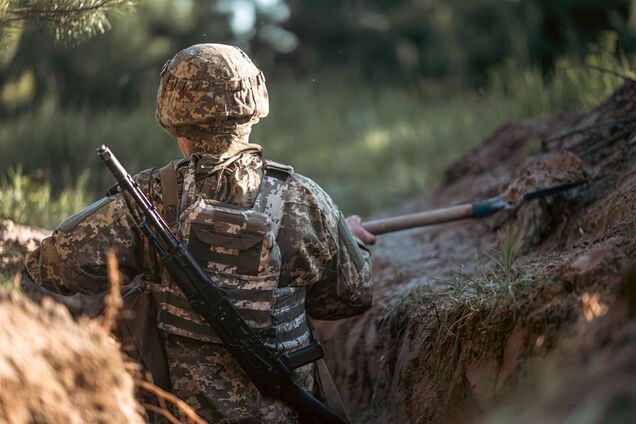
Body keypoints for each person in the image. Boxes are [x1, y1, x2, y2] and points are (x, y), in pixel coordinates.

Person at [25, 43, 375, 423]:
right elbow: (352, 296)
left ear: (173, 117)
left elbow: (52, 263)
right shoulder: (306, 201)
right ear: (253, 107)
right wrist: (347, 236)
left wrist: (136, 270)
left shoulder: (149, 201)